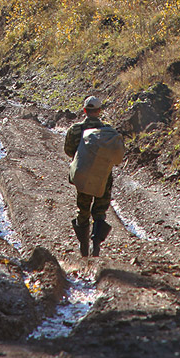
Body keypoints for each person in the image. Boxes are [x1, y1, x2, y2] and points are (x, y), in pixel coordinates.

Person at [64, 95, 115, 257]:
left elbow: (68, 151)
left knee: (83, 209)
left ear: (85, 110)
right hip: (103, 176)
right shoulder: (108, 131)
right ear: (99, 111)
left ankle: (83, 245)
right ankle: (96, 245)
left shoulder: (75, 129)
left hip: (83, 175)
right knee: (100, 210)